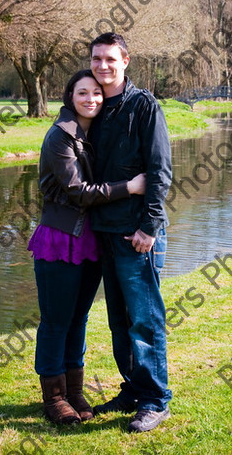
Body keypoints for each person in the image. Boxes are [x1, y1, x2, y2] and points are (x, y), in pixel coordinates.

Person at [27, 69, 146, 425]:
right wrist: (132, 187)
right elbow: (77, 191)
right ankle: (54, 397)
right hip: (61, 239)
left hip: (90, 240)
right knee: (55, 321)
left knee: (78, 319)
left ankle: (75, 391)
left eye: (96, 93)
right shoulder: (60, 137)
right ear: (70, 97)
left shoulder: (95, 133)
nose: (91, 99)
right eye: (83, 93)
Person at [88, 32, 172, 433]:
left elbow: (159, 171)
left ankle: (156, 400)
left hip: (137, 235)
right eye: (96, 59)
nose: (103, 66)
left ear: (126, 61)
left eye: (110, 59)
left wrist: (149, 227)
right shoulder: (94, 106)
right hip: (103, 231)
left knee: (144, 320)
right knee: (119, 321)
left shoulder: (145, 106)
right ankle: (134, 390)